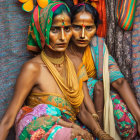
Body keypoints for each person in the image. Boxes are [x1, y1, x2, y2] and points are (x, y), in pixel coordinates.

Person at [0, 1, 114, 140]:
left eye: (67, 29)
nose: (62, 37)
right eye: (55, 29)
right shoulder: (33, 69)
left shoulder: (75, 63)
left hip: (71, 129)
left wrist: (101, 134)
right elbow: (8, 120)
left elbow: (82, 111)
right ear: (43, 30)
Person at [62, 0, 140, 139]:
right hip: (73, 103)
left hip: (99, 99)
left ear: (96, 28)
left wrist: (139, 119)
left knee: (128, 126)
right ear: (68, 27)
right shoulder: (61, 48)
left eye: (89, 28)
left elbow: (118, 81)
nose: (82, 35)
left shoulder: (97, 47)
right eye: (77, 27)